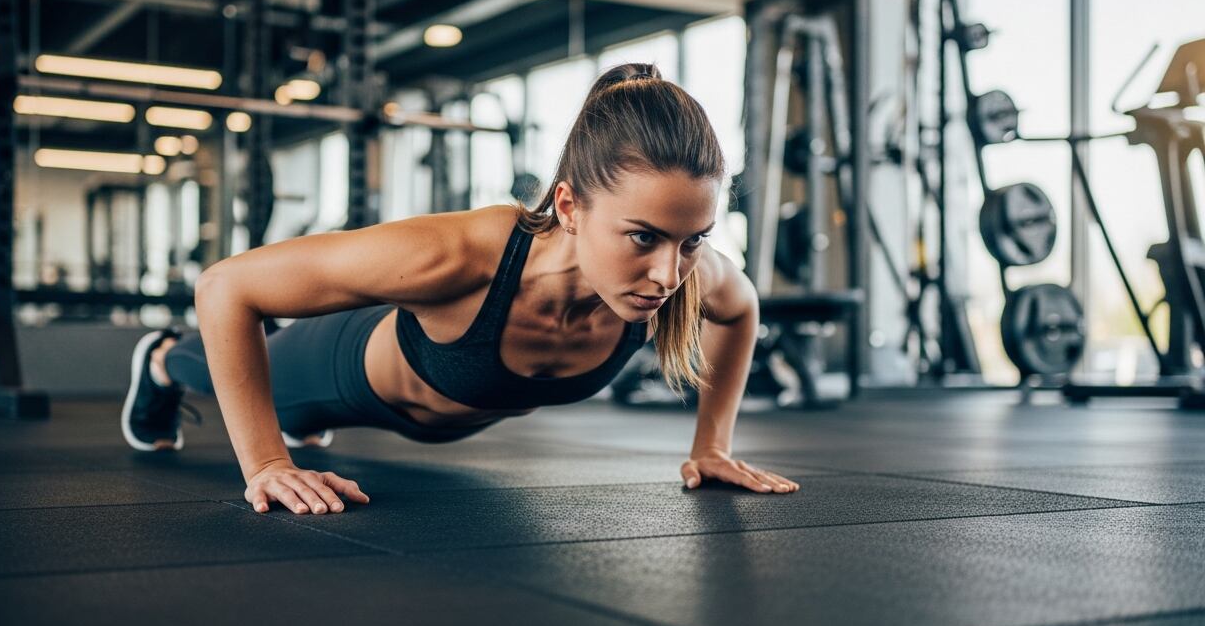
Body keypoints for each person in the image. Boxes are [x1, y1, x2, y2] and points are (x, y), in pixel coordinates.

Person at [120, 63, 800, 516]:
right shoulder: (462, 254)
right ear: (568, 207)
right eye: (643, 237)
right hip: (343, 370)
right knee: (222, 369)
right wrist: (267, 462)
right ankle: (159, 359)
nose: (668, 274)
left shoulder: (683, 273)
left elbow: (740, 311)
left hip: (435, 415)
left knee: (290, 413)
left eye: (693, 239)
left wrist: (710, 446)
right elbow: (226, 286)